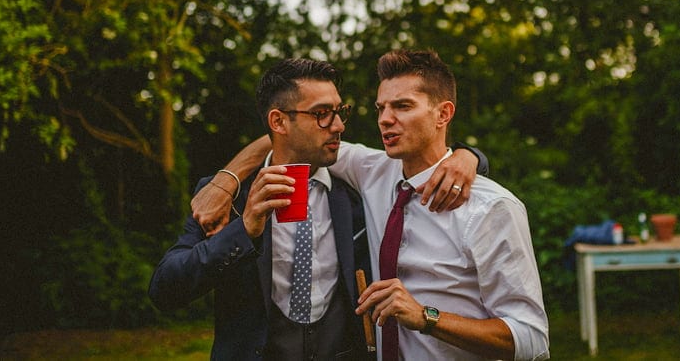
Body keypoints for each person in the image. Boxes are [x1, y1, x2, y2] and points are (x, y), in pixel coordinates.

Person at [195, 50, 550, 360]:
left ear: (443, 114)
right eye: (381, 107)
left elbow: (531, 339)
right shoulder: (372, 170)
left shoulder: (492, 208)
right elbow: (291, 135)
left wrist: (426, 316)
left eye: (403, 106)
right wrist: (225, 180)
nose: (385, 119)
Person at [149, 58, 481, 360]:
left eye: (340, 112)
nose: (338, 125)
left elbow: (428, 159)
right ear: (278, 121)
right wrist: (245, 228)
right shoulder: (228, 197)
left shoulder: (359, 187)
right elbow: (166, 291)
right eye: (322, 114)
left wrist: (469, 156)